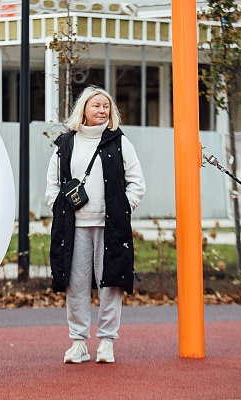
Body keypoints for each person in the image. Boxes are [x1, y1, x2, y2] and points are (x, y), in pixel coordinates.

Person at [45, 86, 145, 364]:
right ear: (83, 111)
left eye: (106, 106)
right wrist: (58, 207)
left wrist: (123, 208)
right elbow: (52, 183)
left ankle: (107, 342)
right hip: (73, 228)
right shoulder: (65, 143)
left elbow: (137, 182)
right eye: (96, 106)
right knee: (74, 285)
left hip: (110, 227)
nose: (102, 110)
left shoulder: (120, 142)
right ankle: (78, 342)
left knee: (110, 284)